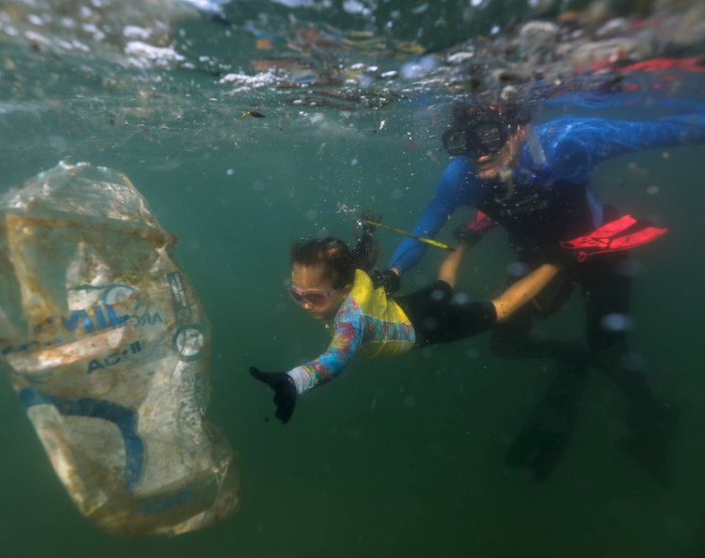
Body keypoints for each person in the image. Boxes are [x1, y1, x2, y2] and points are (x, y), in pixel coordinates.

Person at [379, 98, 705, 481]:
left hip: (600, 253)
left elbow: (666, 130)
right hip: (543, 261)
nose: (478, 155)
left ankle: (654, 413)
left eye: (487, 136)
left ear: (520, 128)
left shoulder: (571, 141)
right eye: (465, 142)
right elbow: (423, 232)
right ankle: (572, 361)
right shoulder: (460, 177)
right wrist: (392, 272)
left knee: (608, 351)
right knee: (505, 342)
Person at [249, 226, 562, 425]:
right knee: (445, 285)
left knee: (502, 309)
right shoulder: (352, 276)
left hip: (423, 329)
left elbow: (336, 358)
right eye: (296, 294)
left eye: (314, 297)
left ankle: (561, 260)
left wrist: (295, 380)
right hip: (405, 308)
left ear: (343, 290)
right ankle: (468, 238)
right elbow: (359, 267)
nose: (304, 304)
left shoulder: (350, 319)